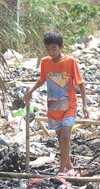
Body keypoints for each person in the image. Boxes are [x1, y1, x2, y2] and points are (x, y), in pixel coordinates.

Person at [24, 30, 88, 176]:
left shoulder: (70, 62)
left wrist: (85, 104)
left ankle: (61, 170)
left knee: (66, 136)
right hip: (54, 106)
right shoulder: (45, 62)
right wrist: (31, 91)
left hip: (69, 105)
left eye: (54, 49)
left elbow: (80, 83)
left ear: (61, 47)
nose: (51, 52)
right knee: (60, 139)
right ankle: (70, 166)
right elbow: (42, 80)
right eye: (48, 49)